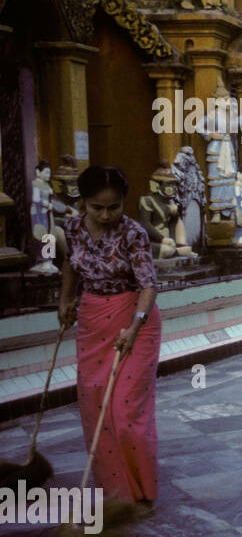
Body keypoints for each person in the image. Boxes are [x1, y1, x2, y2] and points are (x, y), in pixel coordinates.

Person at [58, 166, 161, 504]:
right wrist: (66, 299)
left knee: (124, 411)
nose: (105, 215)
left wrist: (134, 326)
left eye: (113, 207)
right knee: (94, 406)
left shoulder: (133, 233)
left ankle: (142, 491)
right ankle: (117, 496)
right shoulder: (72, 226)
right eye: (96, 207)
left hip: (134, 319)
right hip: (92, 320)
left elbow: (148, 285)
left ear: (122, 203)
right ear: (83, 202)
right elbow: (72, 265)